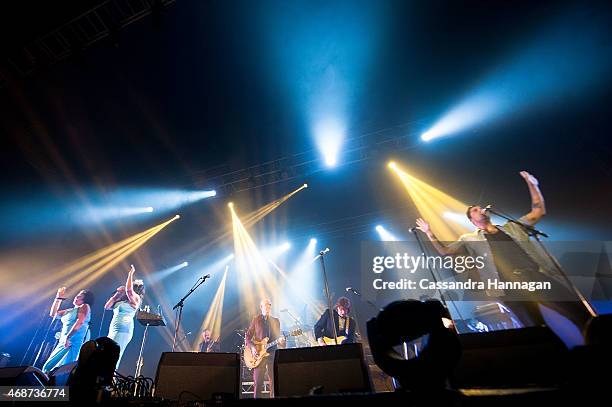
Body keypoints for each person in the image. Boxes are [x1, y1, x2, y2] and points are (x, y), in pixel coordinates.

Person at [415, 170, 592, 344]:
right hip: (508, 286)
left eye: (481, 208)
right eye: (476, 210)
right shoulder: (470, 239)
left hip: (534, 275)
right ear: (472, 220)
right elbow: (444, 251)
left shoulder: (511, 227)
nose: (481, 209)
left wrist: (533, 185)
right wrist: (429, 233)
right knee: (534, 328)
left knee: (576, 310)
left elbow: (538, 211)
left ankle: (597, 342)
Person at [42, 287, 94, 373]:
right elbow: (53, 314)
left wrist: (68, 337)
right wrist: (58, 298)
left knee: (62, 369)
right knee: (49, 367)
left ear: (85, 298)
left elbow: (80, 322)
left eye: (79, 296)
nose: (76, 297)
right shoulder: (70, 310)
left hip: (71, 342)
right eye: (77, 295)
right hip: (63, 341)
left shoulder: (85, 306)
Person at [104, 264, 144, 368]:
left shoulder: (136, 299)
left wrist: (130, 274)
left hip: (123, 329)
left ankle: (110, 379)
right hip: (113, 328)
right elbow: (107, 307)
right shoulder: (121, 300)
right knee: (106, 353)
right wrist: (116, 295)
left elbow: (129, 291)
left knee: (113, 354)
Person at [245, 298, 286, 398]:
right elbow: (248, 336)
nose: (268, 306)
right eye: (266, 304)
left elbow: (278, 338)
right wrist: (253, 348)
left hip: (272, 353)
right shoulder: (256, 319)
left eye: (269, 305)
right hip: (259, 354)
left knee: (274, 381)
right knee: (258, 382)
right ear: (261, 307)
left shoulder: (276, 321)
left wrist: (282, 342)